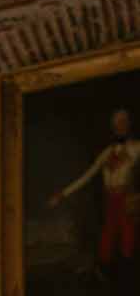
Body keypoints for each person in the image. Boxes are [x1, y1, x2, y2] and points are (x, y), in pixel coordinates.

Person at [49, 105, 140, 267]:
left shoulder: (137, 147)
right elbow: (87, 176)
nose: (121, 126)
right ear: (113, 127)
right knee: (107, 240)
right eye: (117, 123)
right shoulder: (106, 153)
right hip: (110, 201)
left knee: (128, 239)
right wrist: (62, 194)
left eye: (123, 122)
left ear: (128, 124)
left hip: (127, 200)